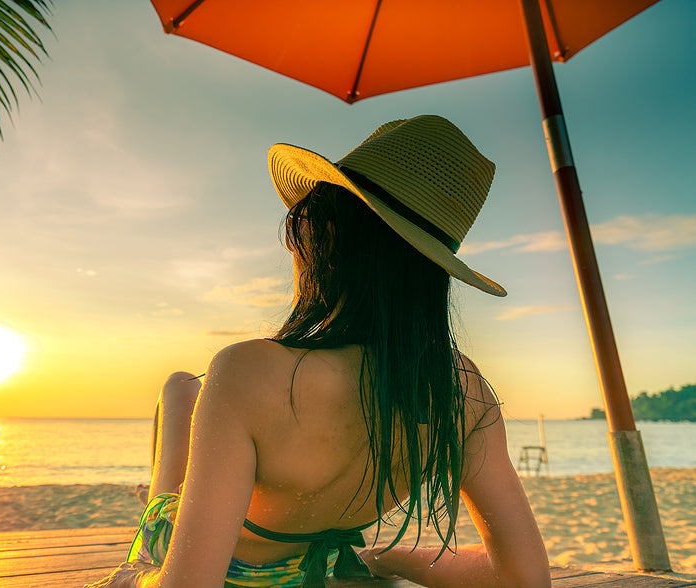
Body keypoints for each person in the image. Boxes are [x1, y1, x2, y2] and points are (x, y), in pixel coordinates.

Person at [90, 115, 549, 588]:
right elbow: (527, 580)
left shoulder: (249, 372)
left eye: (302, 220)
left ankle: (159, 508)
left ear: (328, 236)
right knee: (183, 390)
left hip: (215, 560)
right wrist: (389, 559)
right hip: (312, 564)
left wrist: (135, 579)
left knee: (177, 390)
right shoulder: (463, 393)